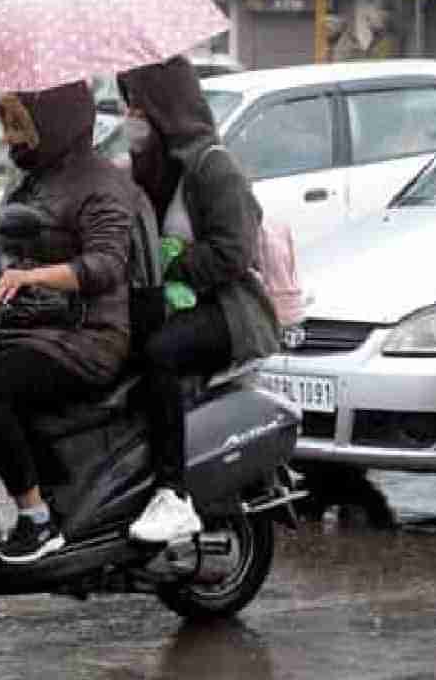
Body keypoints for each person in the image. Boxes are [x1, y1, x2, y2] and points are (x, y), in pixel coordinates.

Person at [0, 80, 140, 564]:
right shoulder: (32, 176)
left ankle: (36, 517)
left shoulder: (101, 184)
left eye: (19, 128)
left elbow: (108, 265)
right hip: (32, 325)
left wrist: (35, 278)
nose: (11, 140)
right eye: (6, 127)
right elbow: (7, 250)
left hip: (87, 334)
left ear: (55, 125)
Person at [118, 56, 280, 544]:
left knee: (160, 353)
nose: (131, 119)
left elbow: (234, 252)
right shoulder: (151, 170)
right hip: (175, 300)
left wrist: (172, 263)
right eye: (128, 107)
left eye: (139, 108)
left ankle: (174, 494)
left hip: (229, 309)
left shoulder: (213, 166)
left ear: (165, 108)